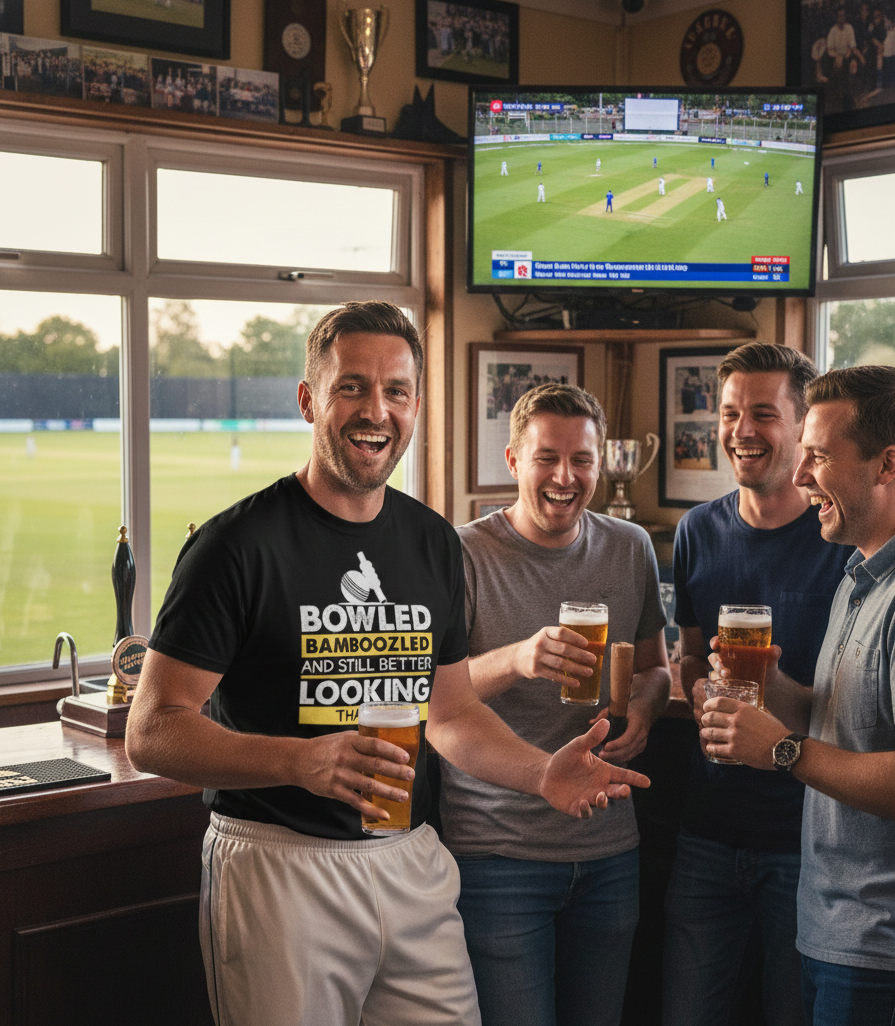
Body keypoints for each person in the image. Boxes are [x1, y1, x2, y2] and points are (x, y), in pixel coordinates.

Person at [125, 302, 649, 1026]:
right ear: (309, 399)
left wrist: (537, 772)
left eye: (395, 390)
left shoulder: (433, 543)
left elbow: (452, 712)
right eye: (352, 387)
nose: (376, 410)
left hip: (410, 858)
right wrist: (300, 761)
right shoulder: (236, 546)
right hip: (280, 864)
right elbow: (152, 732)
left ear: (415, 405)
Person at [440, 382, 671, 1026]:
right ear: (513, 461)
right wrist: (517, 658)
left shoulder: (630, 547)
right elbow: (431, 696)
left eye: (582, 460)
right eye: (547, 458)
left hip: (608, 852)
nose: (565, 477)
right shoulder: (461, 553)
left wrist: (646, 710)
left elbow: (655, 668)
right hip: (497, 855)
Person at [662, 343, 853, 1026]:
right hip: (706, 832)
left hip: (805, 841)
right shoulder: (695, 531)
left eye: (763, 414)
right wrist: (695, 687)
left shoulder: (839, 534)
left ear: (800, 426)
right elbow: (685, 657)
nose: (742, 430)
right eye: (730, 412)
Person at [703, 365, 895, 1026]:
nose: (801, 475)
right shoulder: (855, 573)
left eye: (817, 456)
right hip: (829, 928)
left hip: (879, 949)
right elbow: (848, 720)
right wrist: (774, 691)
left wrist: (782, 751)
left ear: (886, 464)